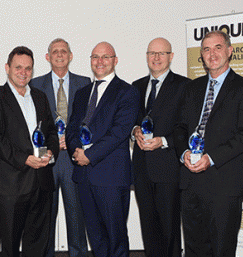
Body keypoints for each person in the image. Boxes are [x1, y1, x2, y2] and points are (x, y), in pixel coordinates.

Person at [0, 46, 59, 257]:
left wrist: (51, 152)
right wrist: (25, 159)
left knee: (38, 245)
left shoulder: (40, 97)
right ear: (7, 68)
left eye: (28, 68)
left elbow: (51, 131)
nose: (23, 72)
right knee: (10, 246)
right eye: (18, 67)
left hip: (42, 181)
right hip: (10, 185)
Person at [66, 42, 139, 257]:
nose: (100, 61)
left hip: (111, 176)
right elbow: (71, 128)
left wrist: (89, 155)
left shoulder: (127, 92)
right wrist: (76, 151)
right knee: (95, 237)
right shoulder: (82, 93)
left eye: (105, 57)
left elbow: (119, 132)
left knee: (115, 238)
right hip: (84, 175)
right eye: (95, 57)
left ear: (115, 61)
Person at [174, 30, 243, 257]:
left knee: (222, 250)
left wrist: (210, 158)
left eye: (217, 47)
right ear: (201, 55)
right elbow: (180, 128)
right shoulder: (192, 88)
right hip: (191, 185)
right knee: (194, 250)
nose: (211, 54)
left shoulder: (241, 88)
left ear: (230, 51)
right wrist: (183, 150)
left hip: (223, 185)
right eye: (206, 49)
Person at [29, 38, 89, 257]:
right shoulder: (35, 84)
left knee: (77, 216)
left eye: (64, 51)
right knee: (46, 216)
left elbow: (89, 120)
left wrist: (73, 141)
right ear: (48, 57)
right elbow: (31, 121)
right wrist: (51, 143)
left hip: (74, 157)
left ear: (71, 56)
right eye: (55, 51)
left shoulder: (85, 83)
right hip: (47, 157)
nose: (60, 55)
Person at [131, 37, 190, 257]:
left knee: (169, 230)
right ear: (146, 57)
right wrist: (135, 130)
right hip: (142, 169)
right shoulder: (136, 86)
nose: (156, 58)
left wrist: (163, 141)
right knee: (149, 229)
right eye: (151, 53)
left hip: (168, 169)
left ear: (171, 57)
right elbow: (132, 120)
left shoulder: (185, 86)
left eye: (161, 53)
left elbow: (186, 126)